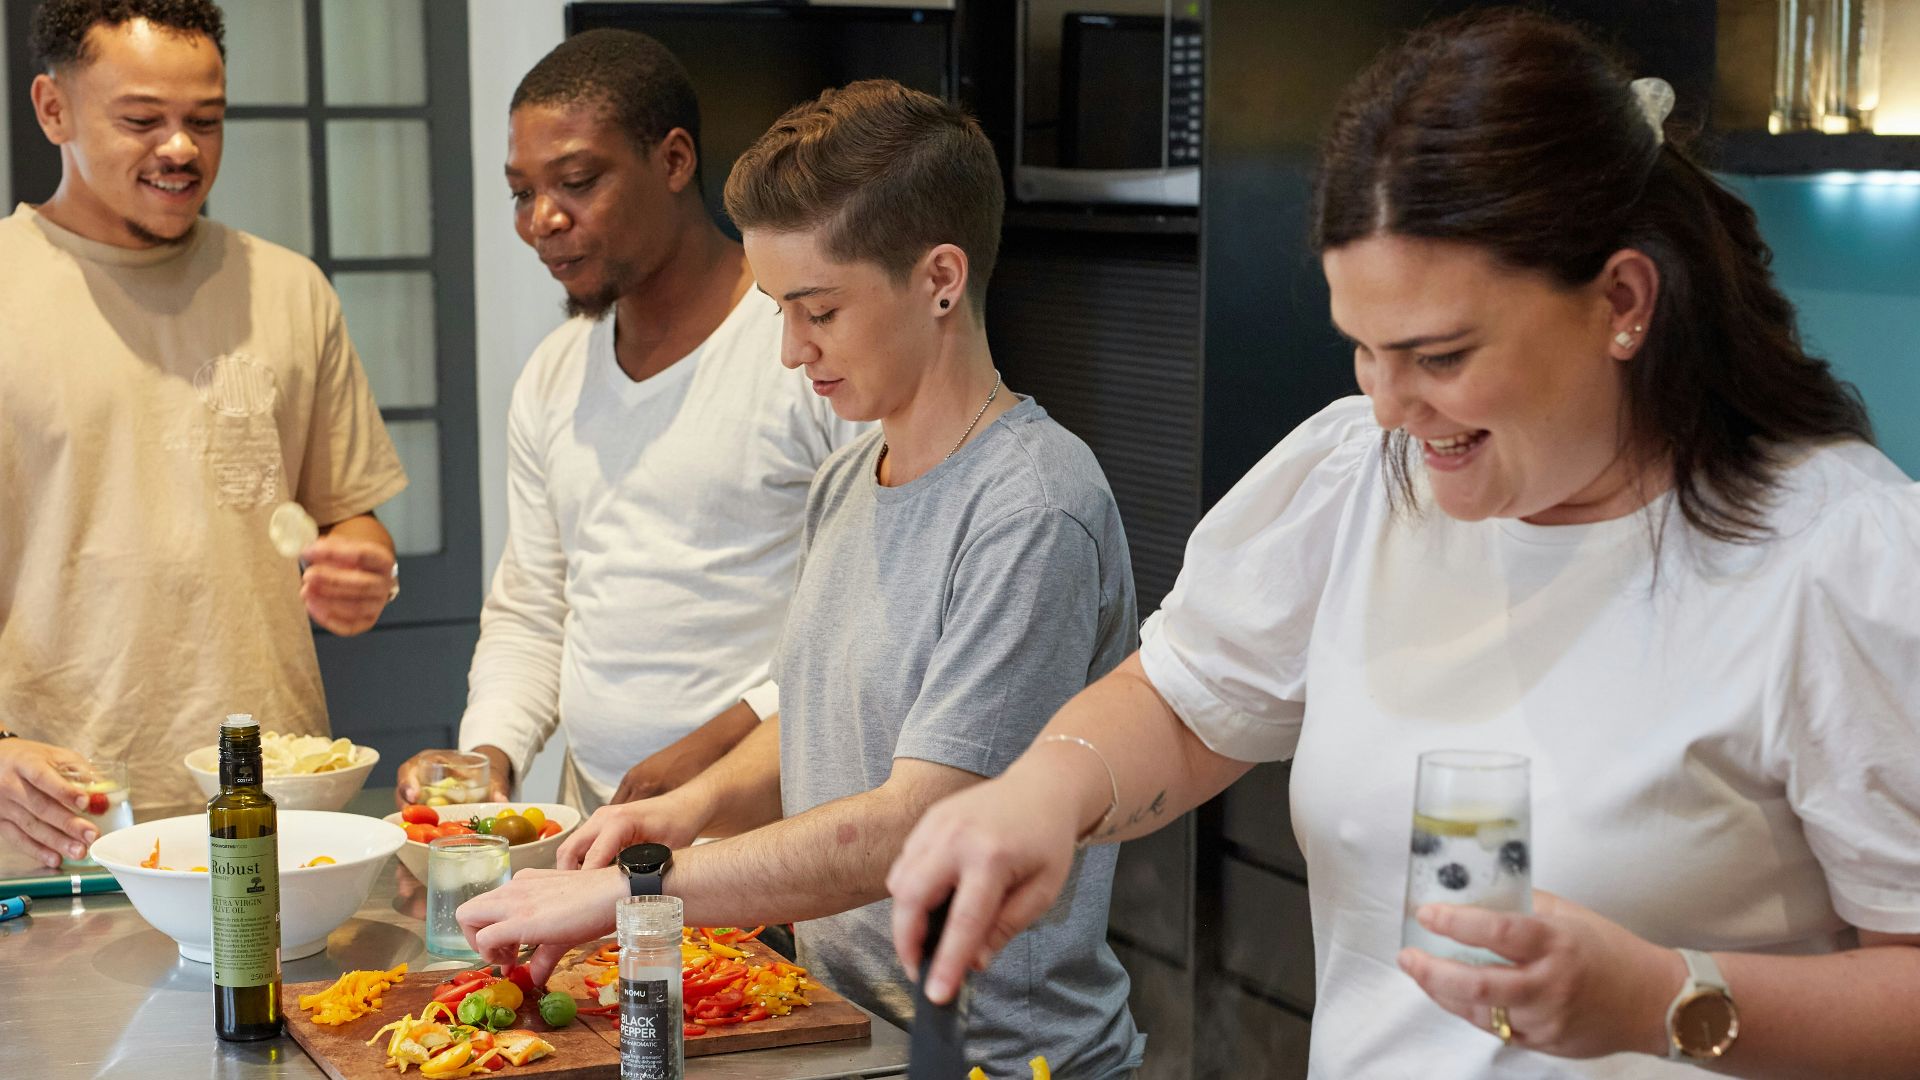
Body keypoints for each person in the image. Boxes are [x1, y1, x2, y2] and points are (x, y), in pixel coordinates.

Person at [888, 11, 1920, 1079]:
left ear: (1622, 300)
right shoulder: (1362, 479)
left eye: (1439, 355)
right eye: (1365, 352)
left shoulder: (1838, 559)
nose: (1388, 410)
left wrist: (1667, 999)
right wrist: (1043, 793)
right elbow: (1186, 701)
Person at [455, 80, 1147, 1078]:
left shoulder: (1031, 508)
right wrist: (693, 804)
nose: (790, 349)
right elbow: (829, 713)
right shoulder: (847, 477)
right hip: (847, 1025)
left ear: (940, 278)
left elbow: (917, 819)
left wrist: (643, 890)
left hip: (1000, 1056)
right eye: (781, 310)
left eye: (818, 310)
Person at [393, 29, 863, 813]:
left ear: (674, 161)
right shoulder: (554, 374)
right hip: (597, 823)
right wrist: (490, 754)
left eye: (576, 181)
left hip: (770, 828)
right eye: (521, 192)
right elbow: (534, 607)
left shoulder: (805, 352)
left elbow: (866, 624)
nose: (541, 220)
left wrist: (720, 744)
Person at [0, 0, 406, 862]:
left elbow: (349, 516)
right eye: (142, 120)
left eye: (206, 121)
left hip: (275, 804)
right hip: (58, 816)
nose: (181, 149)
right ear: (52, 109)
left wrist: (365, 569)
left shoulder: (289, 289)